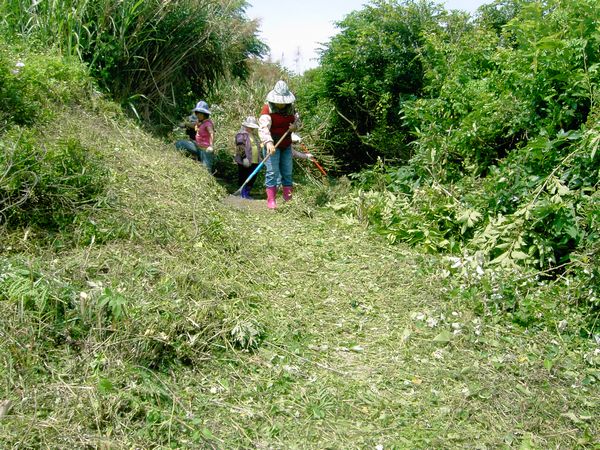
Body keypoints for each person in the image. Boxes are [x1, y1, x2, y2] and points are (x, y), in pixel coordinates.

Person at [258, 80, 301, 209]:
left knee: (287, 172)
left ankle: (288, 198)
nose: (281, 104)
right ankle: (271, 200)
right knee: (272, 172)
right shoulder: (267, 109)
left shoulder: (291, 109)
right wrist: (269, 142)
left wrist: (295, 127)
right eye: (279, 101)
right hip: (272, 145)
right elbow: (263, 128)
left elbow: (298, 123)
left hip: (286, 145)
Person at [234, 116, 262, 199]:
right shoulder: (241, 135)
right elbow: (240, 146)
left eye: (253, 127)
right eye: (250, 127)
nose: (252, 128)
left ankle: (247, 193)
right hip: (245, 161)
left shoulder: (254, 136)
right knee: (244, 177)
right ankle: (242, 194)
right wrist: (244, 158)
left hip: (255, 162)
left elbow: (256, 147)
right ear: (246, 126)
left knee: (252, 178)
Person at [192, 100, 215, 172]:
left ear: (204, 114)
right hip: (198, 147)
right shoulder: (201, 122)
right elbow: (194, 126)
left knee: (206, 170)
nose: (198, 115)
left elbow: (211, 133)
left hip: (205, 150)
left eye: (200, 114)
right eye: (197, 113)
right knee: (181, 144)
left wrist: (211, 146)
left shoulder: (208, 123)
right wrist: (185, 124)